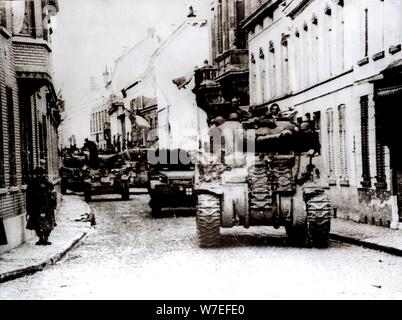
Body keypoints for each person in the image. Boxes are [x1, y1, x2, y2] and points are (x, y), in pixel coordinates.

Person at [26, 167, 57, 245]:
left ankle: (44, 238)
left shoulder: (44, 182)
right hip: (39, 206)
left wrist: (29, 209)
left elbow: (52, 191)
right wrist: (29, 209)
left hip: (43, 206)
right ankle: (42, 238)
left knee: (45, 222)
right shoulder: (33, 183)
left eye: (41, 173)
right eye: (38, 173)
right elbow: (29, 196)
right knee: (40, 223)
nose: (40, 175)